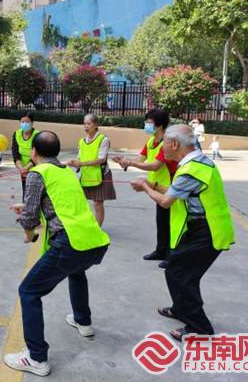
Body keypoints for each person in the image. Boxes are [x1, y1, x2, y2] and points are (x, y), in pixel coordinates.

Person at [5, 131, 110, 377]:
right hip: (92, 240)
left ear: (33, 152)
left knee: (28, 292)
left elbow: (30, 218)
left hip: (68, 243)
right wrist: (28, 207)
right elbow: (60, 203)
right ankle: (83, 321)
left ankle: (36, 358)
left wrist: (28, 233)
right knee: (77, 272)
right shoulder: (66, 171)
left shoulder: (37, 173)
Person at [130, 125, 234, 341]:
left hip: (208, 230)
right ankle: (180, 309)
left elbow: (166, 202)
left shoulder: (191, 169)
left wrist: (145, 187)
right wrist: (151, 184)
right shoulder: (195, 163)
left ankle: (200, 327)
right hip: (199, 228)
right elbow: (177, 192)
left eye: (164, 144)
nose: (162, 149)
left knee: (181, 275)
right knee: (179, 270)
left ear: (175, 144)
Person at [113, 109, 177, 269]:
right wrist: (125, 161)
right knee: (161, 221)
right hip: (157, 188)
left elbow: (155, 165)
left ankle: (172, 256)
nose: (146, 125)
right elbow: (140, 159)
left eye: (149, 122)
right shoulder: (151, 141)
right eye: (146, 122)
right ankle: (160, 251)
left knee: (171, 223)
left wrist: (132, 163)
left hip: (170, 188)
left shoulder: (166, 143)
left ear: (160, 125)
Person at [66, 114, 116, 226]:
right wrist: (74, 163)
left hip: (100, 175)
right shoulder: (82, 141)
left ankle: (97, 228)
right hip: (86, 175)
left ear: (96, 125)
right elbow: (79, 158)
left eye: (89, 124)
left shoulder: (103, 140)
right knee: (80, 202)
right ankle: (85, 224)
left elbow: (101, 159)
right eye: (84, 124)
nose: (86, 126)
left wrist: (81, 163)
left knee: (98, 203)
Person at [12, 112, 39, 198]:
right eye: (22, 122)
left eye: (27, 122)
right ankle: (25, 205)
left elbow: (37, 154)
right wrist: (21, 168)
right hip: (23, 170)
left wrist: (27, 168)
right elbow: (15, 153)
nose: (24, 124)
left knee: (34, 192)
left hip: (35, 168)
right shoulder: (16, 134)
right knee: (25, 191)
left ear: (32, 123)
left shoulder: (37, 135)